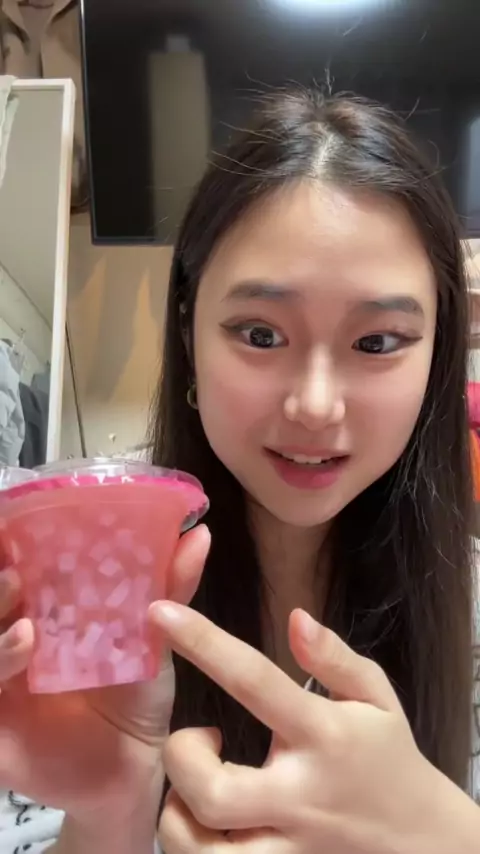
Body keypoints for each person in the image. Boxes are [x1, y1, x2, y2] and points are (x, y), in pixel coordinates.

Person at [0, 88, 479, 853]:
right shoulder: (91, 575)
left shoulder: (468, 599)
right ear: (188, 332)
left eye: (378, 343)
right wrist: (108, 817)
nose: (315, 405)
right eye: (260, 334)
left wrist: (447, 835)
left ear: (437, 357)